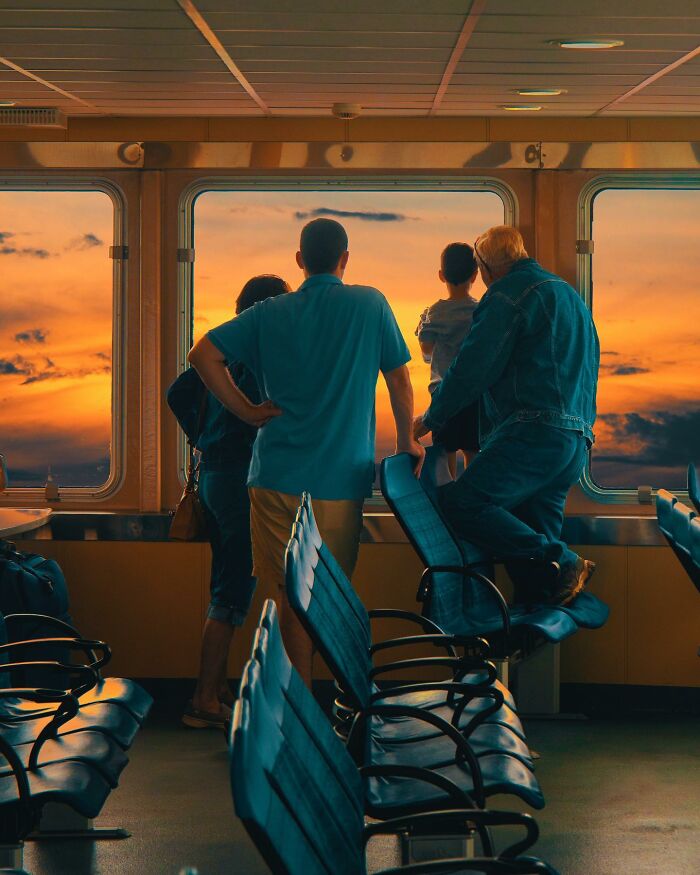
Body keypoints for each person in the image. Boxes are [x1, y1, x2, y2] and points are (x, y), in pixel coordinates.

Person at [189, 218, 424, 685]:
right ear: (345, 259)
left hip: (274, 477)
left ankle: (298, 706)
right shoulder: (370, 304)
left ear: (299, 260)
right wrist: (406, 442)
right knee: (325, 595)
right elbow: (399, 379)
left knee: (288, 595)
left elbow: (202, 355)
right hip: (340, 480)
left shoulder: (269, 312)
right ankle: (314, 702)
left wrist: (247, 411)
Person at [414, 225, 599, 606]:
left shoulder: (506, 295)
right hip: (574, 443)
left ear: (485, 268)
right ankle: (531, 624)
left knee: (462, 503)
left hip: (532, 434)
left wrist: (432, 418)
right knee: (534, 570)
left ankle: (564, 560)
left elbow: (472, 368)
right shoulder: (569, 295)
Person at [176, 274, 290, 729]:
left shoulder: (222, 356)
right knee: (233, 589)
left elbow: (177, 393)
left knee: (226, 581)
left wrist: (201, 435)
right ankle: (203, 699)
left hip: (213, 477)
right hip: (238, 479)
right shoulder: (255, 361)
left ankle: (218, 687)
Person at [416, 242, 480, 478]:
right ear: (475, 275)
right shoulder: (481, 310)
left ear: (441, 276)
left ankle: (448, 495)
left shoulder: (435, 312)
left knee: (445, 453)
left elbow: (427, 350)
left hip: (443, 395)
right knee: (473, 450)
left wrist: (422, 326)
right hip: (474, 395)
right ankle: (472, 495)